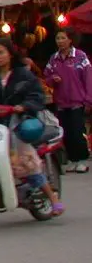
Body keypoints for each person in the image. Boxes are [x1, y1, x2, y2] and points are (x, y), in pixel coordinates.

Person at [0, 37, 63, 216]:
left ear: (10, 54)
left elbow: (36, 95)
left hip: (19, 122)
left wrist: (24, 106)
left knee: (24, 159)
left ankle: (53, 198)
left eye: (1, 52)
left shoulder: (24, 75)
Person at [44, 29, 92, 174]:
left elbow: (89, 79)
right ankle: (72, 160)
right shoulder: (54, 59)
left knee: (78, 132)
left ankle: (82, 160)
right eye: (57, 38)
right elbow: (47, 77)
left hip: (77, 101)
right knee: (66, 133)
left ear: (70, 40)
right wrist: (53, 80)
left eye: (63, 38)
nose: (59, 41)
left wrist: (89, 100)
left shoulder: (80, 57)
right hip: (61, 102)